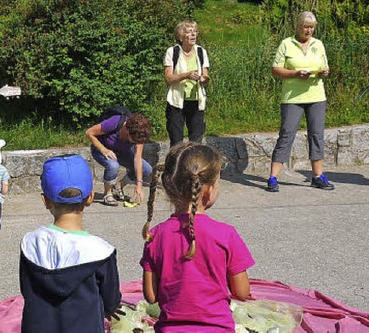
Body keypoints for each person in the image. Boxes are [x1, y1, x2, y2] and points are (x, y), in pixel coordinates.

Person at [140, 142, 255, 332]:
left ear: (169, 188)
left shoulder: (156, 235)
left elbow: (151, 296)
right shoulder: (226, 234)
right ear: (209, 190)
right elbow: (242, 292)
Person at [19, 154, 121, 333]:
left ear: (45, 200)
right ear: (90, 198)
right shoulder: (101, 251)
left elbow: (26, 291)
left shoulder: (30, 244)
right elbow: (111, 301)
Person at [267, 11, 334, 192]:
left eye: (312, 27)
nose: (309, 30)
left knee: (317, 135)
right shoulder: (286, 44)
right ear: (298, 26)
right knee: (287, 134)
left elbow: (324, 66)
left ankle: (318, 176)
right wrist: (295, 73)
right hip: (292, 97)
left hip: (316, 96)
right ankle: (273, 177)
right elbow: (276, 69)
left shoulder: (318, 45)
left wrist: (324, 72)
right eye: (306, 27)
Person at [85, 107, 152, 206]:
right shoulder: (115, 122)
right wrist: (104, 150)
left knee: (146, 169)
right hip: (101, 149)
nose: (135, 143)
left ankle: (118, 186)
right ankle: (108, 194)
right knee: (113, 165)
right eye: (133, 140)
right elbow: (89, 132)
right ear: (128, 131)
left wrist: (139, 185)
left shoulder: (139, 134)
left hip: (121, 152)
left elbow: (137, 159)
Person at [163, 20, 210, 146]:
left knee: (196, 143)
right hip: (176, 102)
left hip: (196, 101)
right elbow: (168, 78)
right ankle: (175, 165)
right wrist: (186, 75)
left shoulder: (201, 52)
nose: (193, 35)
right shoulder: (172, 52)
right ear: (181, 36)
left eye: (195, 32)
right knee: (177, 142)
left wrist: (203, 79)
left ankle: (194, 166)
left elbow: (205, 75)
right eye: (189, 32)